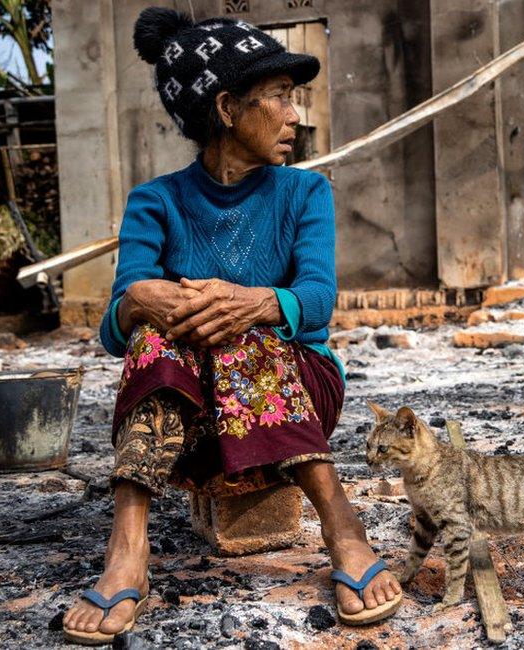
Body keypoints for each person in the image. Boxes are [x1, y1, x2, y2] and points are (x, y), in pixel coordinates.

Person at [62, 8, 401, 644]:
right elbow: (115, 332)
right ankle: (127, 543)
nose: (294, 115)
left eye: (293, 98)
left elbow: (318, 301)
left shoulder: (305, 194)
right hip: (192, 418)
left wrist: (252, 304)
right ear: (225, 107)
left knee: (244, 332)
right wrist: (137, 297)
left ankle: (341, 523)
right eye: (278, 97)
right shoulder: (155, 202)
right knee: (153, 332)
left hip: (295, 399)